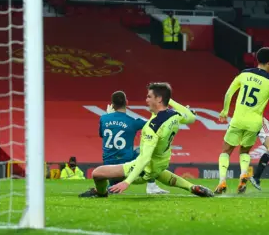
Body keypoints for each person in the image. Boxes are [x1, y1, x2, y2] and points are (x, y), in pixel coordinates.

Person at [79, 82, 213, 198]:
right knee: (160, 173)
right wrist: (169, 100)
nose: (146, 100)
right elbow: (191, 117)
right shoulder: (175, 115)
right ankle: (192, 187)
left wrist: (127, 182)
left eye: (149, 96)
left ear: (159, 99)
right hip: (161, 165)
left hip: (144, 170)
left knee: (98, 173)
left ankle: (101, 193)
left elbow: (144, 159)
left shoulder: (152, 127)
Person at [215, 47, 269, 195]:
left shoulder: (244, 73)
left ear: (257, 59)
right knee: (245, 151)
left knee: (226, 151)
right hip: (254, 123)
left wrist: (224, 111)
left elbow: (229, 93)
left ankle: (222, 180)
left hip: (238, 119)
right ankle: (243, 176)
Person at [100, 90, 169, 195]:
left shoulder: (103, 118)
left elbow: (102, 135)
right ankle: (151, 186)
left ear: (112, 105)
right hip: (125, 165)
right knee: (146, 154)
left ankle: (111, 187)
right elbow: (155, 124)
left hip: (107, 166)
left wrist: (110, 115)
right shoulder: (132, 121)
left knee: (113, 187)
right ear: (127, 102)